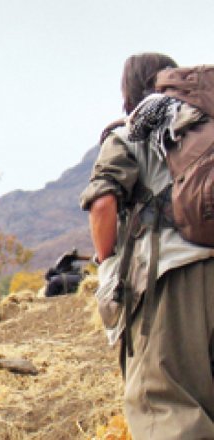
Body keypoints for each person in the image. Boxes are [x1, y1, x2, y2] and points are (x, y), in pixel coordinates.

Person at [81, 53, 214, 438]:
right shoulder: (204, 131)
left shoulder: (132, 133)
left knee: (165, 405)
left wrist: (106, 263)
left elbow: (103, 202)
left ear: (128, 93)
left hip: (168, 282)